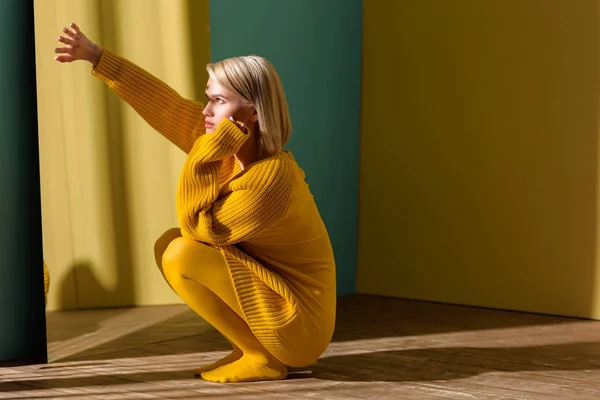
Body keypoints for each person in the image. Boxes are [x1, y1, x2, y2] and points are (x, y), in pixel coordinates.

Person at [54, 23, 337, 383]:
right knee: (168, 244)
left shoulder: (270, 181)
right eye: (208, 97)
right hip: (277, 304)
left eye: (218, 101)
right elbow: (165, 106)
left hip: (298, 324)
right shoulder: (230, 151)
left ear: (252, 112)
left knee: (181, 251)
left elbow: (198, 228)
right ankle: (249, 347)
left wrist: (204, 154)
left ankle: (262, 357)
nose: (206, 110)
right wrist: (96, 56)